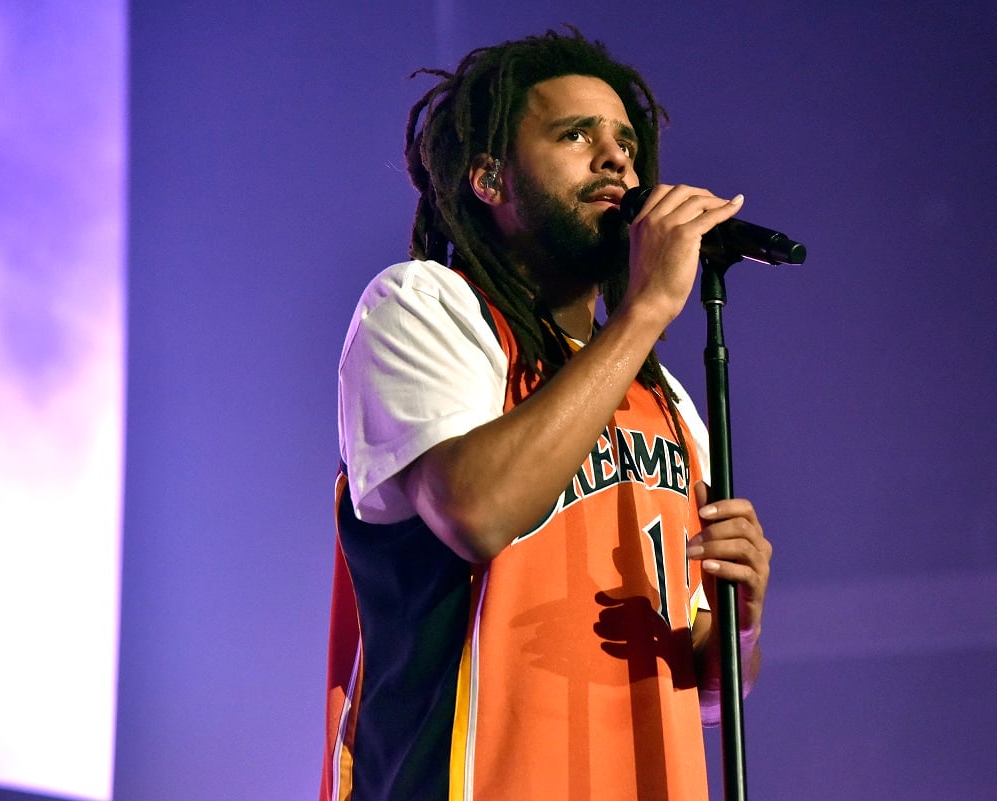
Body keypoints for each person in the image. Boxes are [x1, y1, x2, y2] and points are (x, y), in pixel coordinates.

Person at [321, 28, 772, 801]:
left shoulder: (664, 402)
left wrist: (742, 619)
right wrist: (645, 312)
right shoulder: (425, 308)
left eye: (626, 142)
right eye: (576, 135)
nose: (617, 161)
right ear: (490, 178)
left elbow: (706, 686)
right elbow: (478, 510)